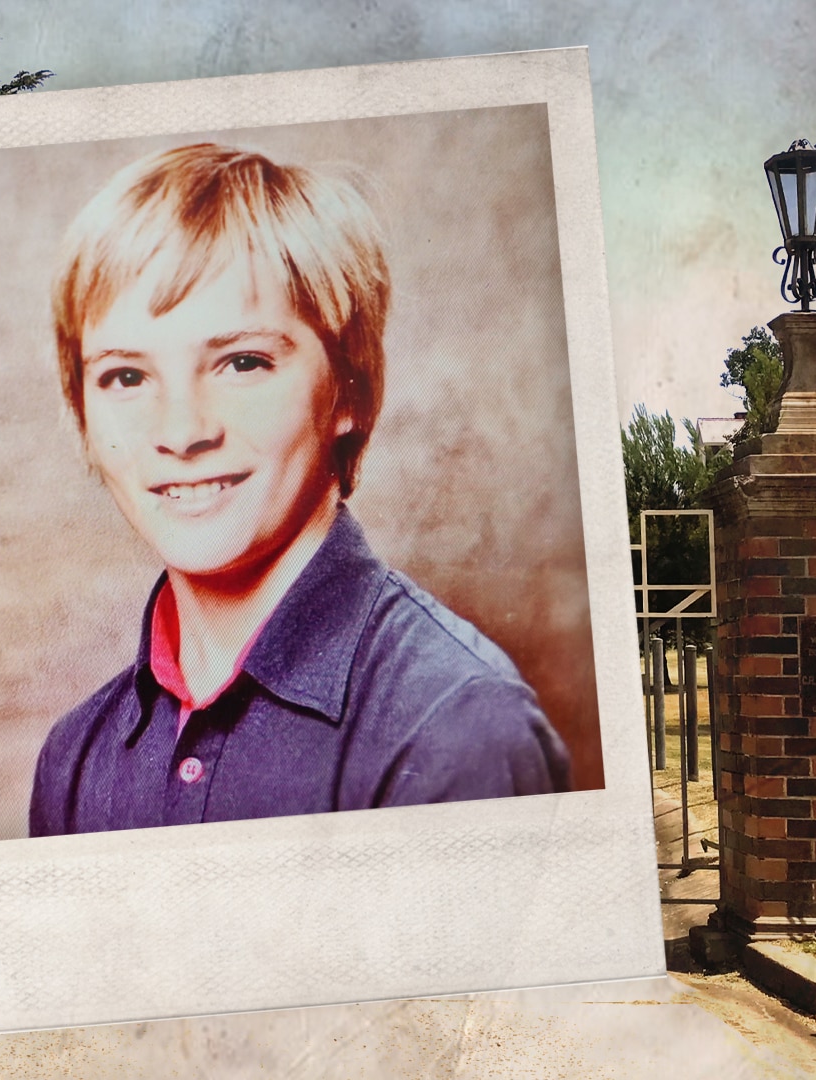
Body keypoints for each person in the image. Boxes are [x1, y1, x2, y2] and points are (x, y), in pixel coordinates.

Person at [29, 143, 569, 837]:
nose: (181, 431)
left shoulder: (460, 729)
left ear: (347, 387)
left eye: (242, 362)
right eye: (126, 377)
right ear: (81, 409)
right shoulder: (73, 760)